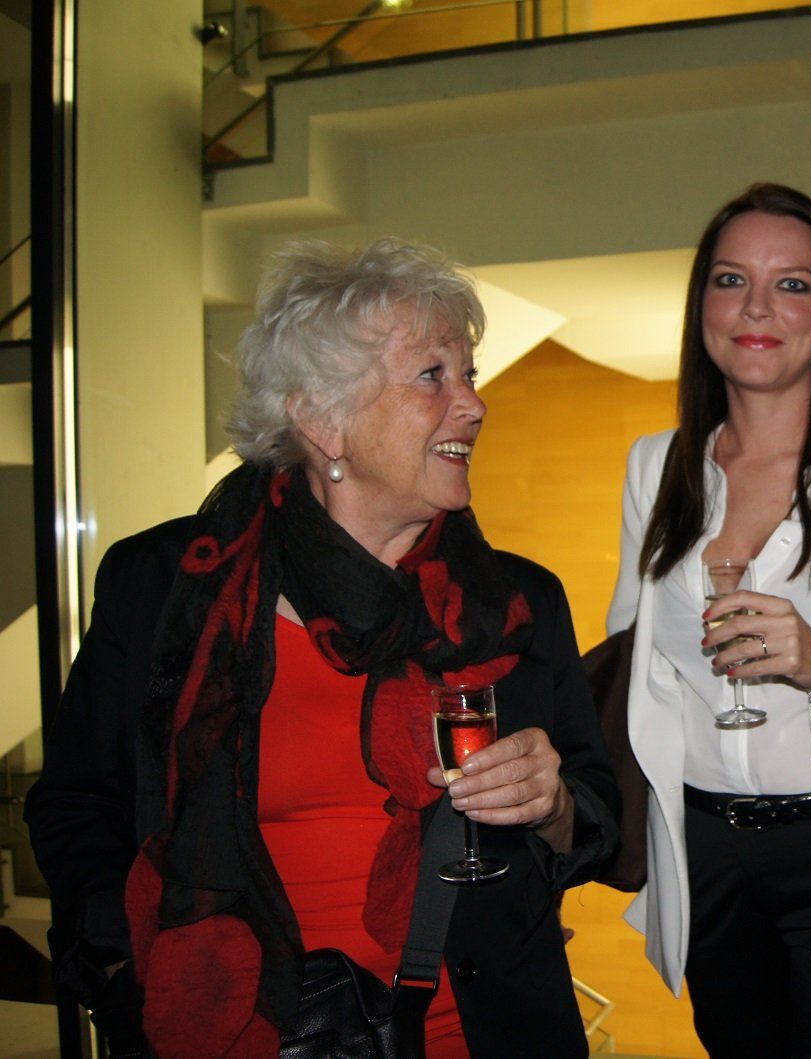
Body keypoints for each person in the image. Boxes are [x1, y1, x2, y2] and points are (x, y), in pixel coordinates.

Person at [26, 239, 619, 1057]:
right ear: (321, 419)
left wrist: (552, 804)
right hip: (235, 1035)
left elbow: (599, 812)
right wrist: (128, 969)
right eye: (432, 375)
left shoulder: (515, 602)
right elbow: (75, 805)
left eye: (470, 373)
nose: (474, 404)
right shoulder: (167, 587)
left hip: (482, 1034)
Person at [606, 184, 811, 1056]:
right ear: (702, 311)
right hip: (707, 854)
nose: (756, 307)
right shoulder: (656, 467)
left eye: (792, 284)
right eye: (731, 280)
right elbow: (632, 664)